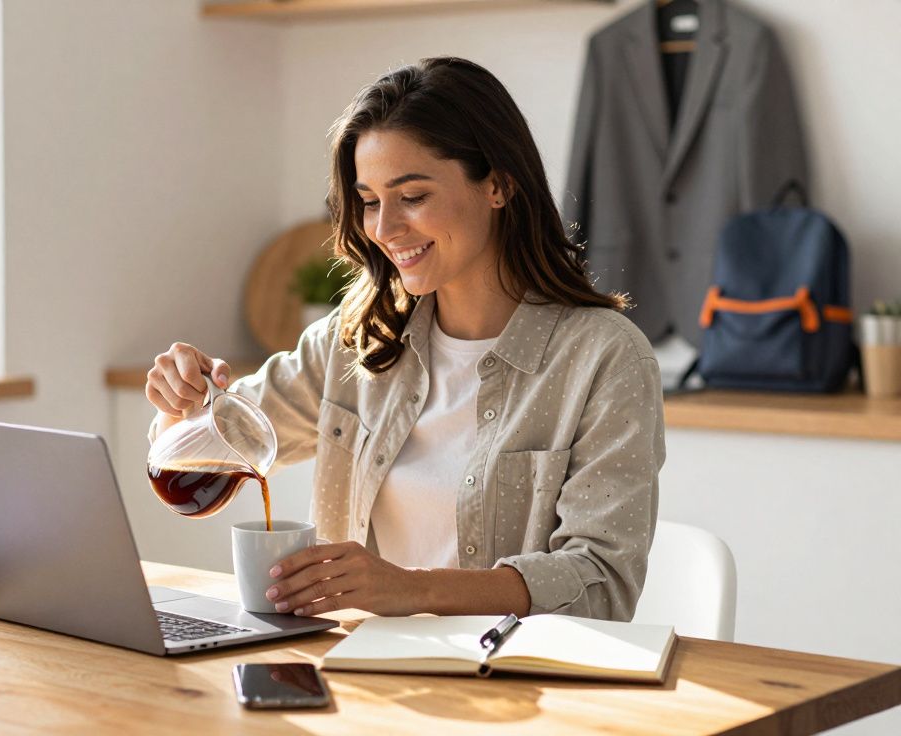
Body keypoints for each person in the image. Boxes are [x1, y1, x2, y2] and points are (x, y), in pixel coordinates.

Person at [145, 57, 665, 622]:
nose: (384, 229)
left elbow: (602, 584)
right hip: (361, 681)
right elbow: (221, 442)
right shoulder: (356, 342)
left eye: (412, 196)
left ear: (498, 184)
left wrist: (413, 589)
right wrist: (184, 401)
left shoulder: (604, 358)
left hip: (511, 691)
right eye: (369, 201)